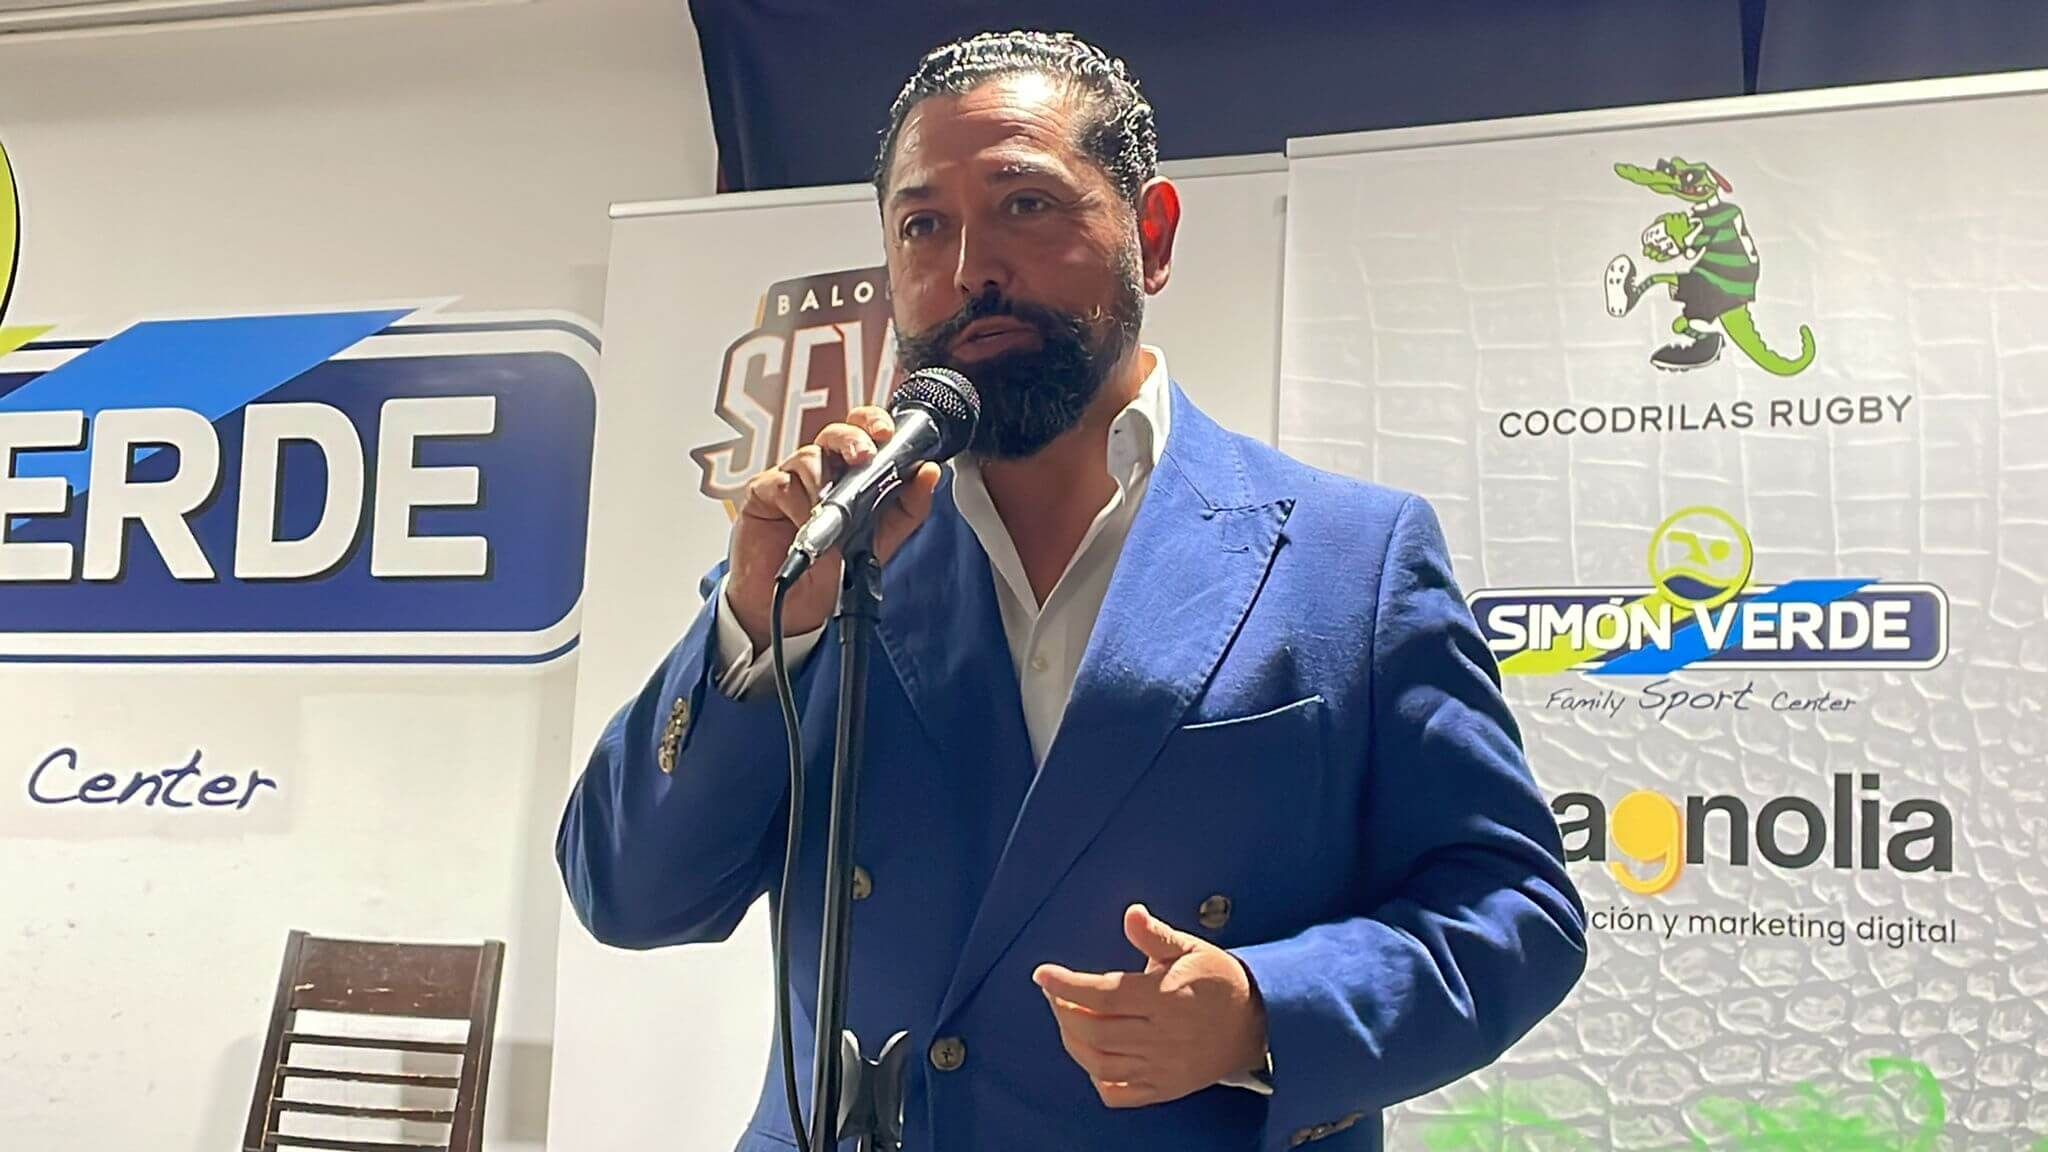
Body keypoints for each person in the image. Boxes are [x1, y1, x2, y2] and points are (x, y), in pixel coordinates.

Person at [557, 29, 1586, 1152]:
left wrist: (1264, 1014)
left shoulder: (1350, 557)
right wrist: (756, 630)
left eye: (1025, 206)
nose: (966, 271)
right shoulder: (829, 555)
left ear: (1150, 234)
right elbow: (630, 897)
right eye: (922, 226)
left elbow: (1510, 909)